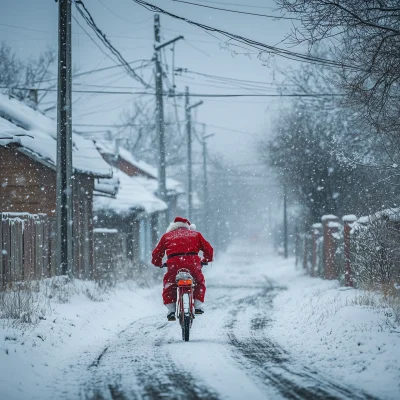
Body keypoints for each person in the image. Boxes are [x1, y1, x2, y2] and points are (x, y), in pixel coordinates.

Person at [152, 216, 214, 321]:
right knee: (199, 281)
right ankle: (198, 306)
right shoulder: (196, 235)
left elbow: (157, 253)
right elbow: (209, 249)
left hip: (174, 265)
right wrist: (206, 260)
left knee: (170, 284)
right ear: (188, 226)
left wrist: (158, 263)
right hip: (193, 264)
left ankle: (171, 311)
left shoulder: (167, 236)